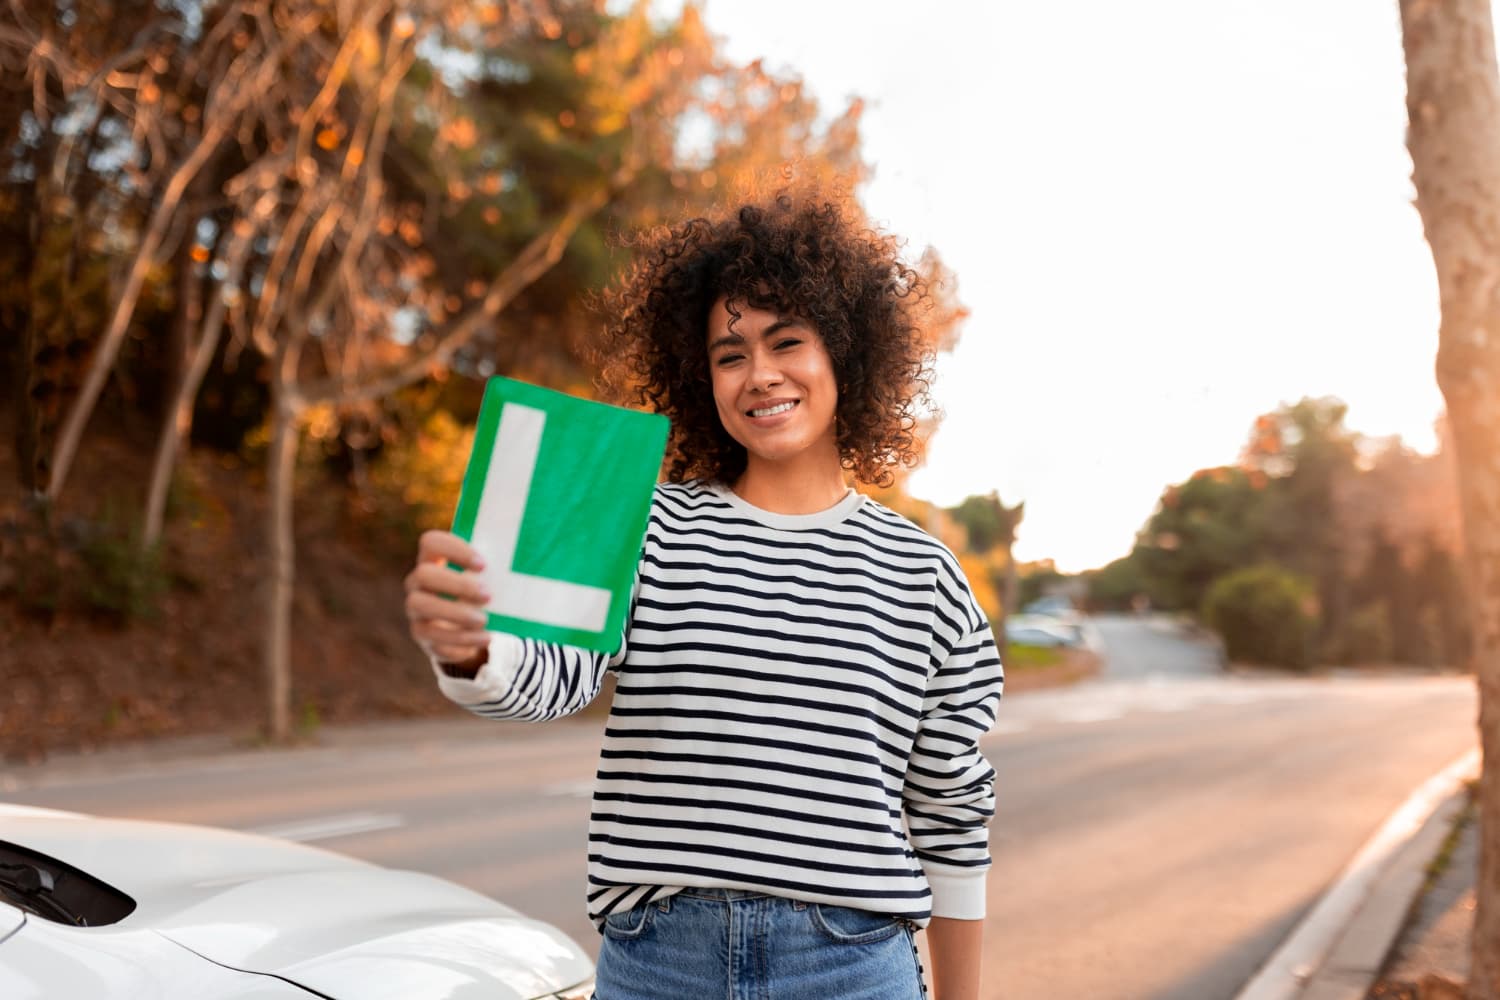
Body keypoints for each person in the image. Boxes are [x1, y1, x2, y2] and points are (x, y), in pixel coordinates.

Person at [403, 187, 1004, 1000]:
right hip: (659, 965)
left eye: (786, 342)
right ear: (701, 377)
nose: (759, 374)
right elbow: (553, 674)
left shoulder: (923, 575)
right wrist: (472, 647)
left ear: (847, 356)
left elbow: (952, 815)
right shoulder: (642, 526)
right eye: (729, 354)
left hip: (851, 969)